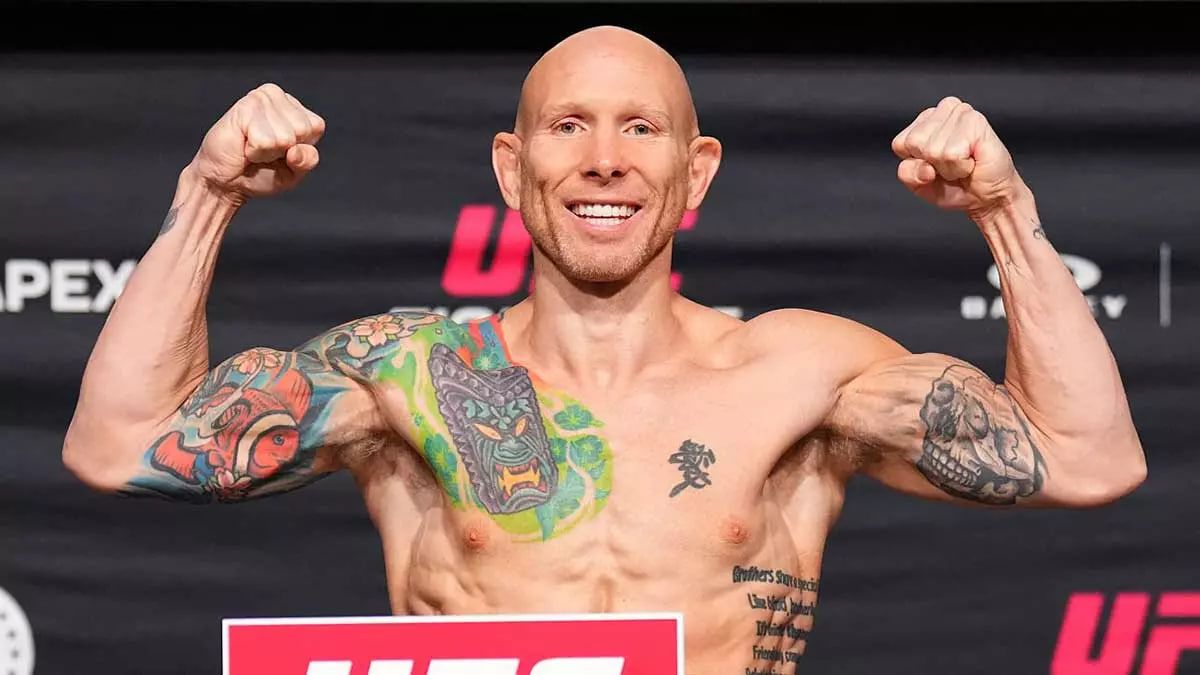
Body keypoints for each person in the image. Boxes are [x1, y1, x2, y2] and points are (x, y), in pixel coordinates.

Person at [62, 25, 1146, 674]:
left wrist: (1005, 212)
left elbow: (1086, 457)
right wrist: (207, 193)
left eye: (641, 128)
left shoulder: (798, 373)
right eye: (568, 125)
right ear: (511, 166)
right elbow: (121, 443)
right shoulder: (416, 376)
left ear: (696, 170)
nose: (604, 161)